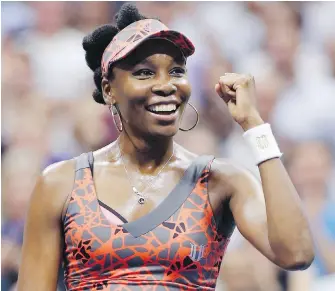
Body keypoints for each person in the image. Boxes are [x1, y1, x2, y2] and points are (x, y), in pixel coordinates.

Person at [17, 4, 314, 291]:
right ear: (109, 90)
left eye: (176, 71)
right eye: (145, 72)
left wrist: (255, 126)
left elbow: (296, 252)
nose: (166, 85)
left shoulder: (220, 180)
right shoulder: (61, 183)